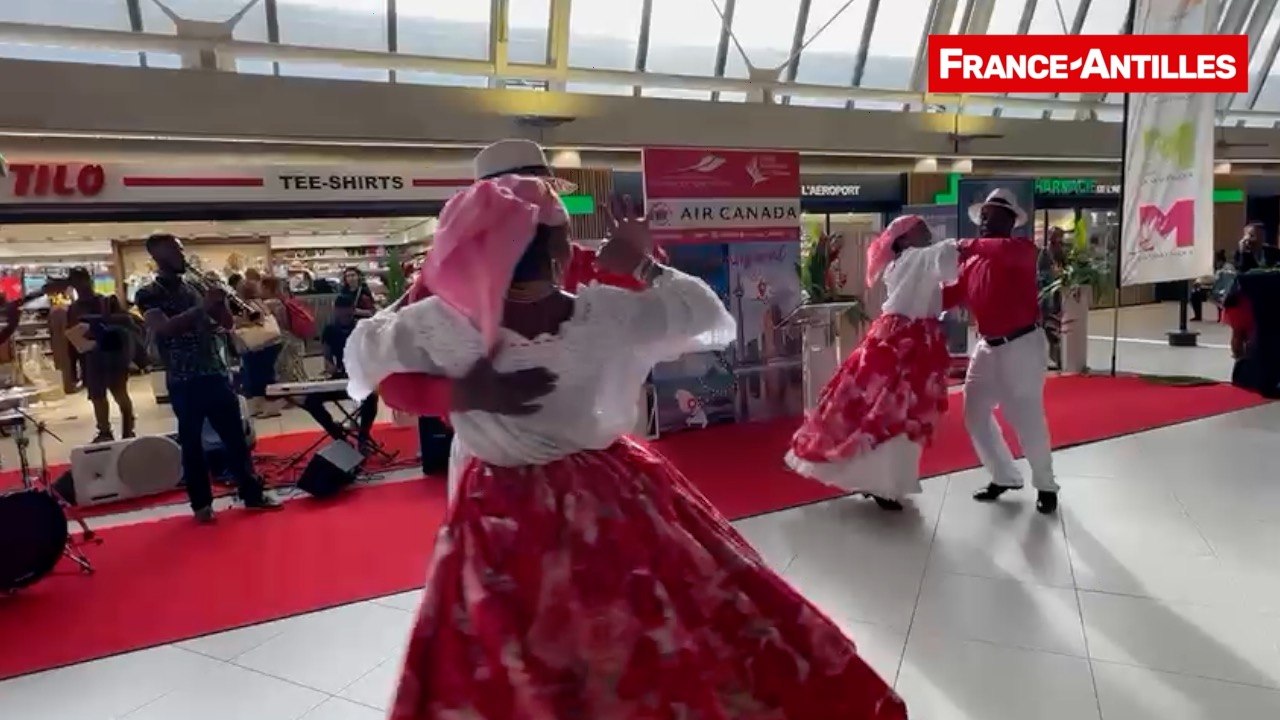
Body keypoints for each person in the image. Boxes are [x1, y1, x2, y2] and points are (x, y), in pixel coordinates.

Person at [345, 176, 907, 720]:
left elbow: (363, 356)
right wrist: (640, 260)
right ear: (558, 249)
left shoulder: (440, 326)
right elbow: (709, 315)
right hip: (609, 494)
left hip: (499, 512)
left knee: (511, 649)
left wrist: (460, 379)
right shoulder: (605, 315)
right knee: (661, 626)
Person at [378, 138, 664, 488]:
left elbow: (655, 309)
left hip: (583, 450)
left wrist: (644, 259)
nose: (535, 211)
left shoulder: (572, 259)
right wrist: (466, 394)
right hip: (495, 464)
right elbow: (392, 381)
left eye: (543, 198)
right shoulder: (444, 280)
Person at [788, 216, 956, 511]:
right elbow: (947, 254)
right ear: (903, 240)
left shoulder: (904, 262)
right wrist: (980, 245)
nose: (929, 232)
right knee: (892, 413)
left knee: (888, 412)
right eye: (921, 229)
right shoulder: (917, 258)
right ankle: (881, 482)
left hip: (900, 339)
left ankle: (876, 479)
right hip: (903, 344)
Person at [135, 233, 281, 523]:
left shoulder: (196, 285)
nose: (183, 255)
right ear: (158, 255)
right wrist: (203, 306)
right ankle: (201, 505)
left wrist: (221, 303)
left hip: (216, 372)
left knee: (236, 439)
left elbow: (227, 324)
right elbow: (163, 329)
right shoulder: (148, 292)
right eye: (176, 250)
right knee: (192, 444)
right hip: (184, 378)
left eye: (181, 249)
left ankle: (252, 494)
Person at [944, 189, 1058, 514]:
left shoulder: (1020, 250)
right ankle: (1005, 476)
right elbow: (949, 296)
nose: (983, 221)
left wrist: (962, 245)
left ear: (1010, 220)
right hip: (986, 346)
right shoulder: (976, 260)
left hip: (1022, 345)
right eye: (982, 215)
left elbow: (1001, 251)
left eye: (991, 215)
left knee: (1027, 419)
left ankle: (1046, 485)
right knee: (974, 415)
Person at [66, 267, 136, 442]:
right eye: (76, 281)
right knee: (97, 397)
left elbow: (128, 321)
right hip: (90, 358)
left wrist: (102, 319)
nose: (81, 285)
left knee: (120, 394)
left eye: (83, 280)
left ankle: (128, 429)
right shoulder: (73, 309)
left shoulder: (107, 301)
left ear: (89, 280)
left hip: (112, 356)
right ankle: (104, 431)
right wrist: (73, 370)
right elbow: (71, 338)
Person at [303, 293, 380, 449]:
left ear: (353, 310)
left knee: (371, 397)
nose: (345, 314)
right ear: (335, 311)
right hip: (339, 376)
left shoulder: (362, 328)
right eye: (341, 311)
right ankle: (337, 434)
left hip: (360, 377)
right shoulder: (330, 330)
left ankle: (363, 436)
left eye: (348, 310)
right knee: (311, 401)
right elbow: (327, 357)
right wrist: (329, 366)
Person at [259, 276, 308, 385]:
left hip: (282, 341)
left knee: (284, 372)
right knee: (294, 369)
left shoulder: (270, 303)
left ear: (267, 288)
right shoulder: (282, 301)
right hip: (292, 339)